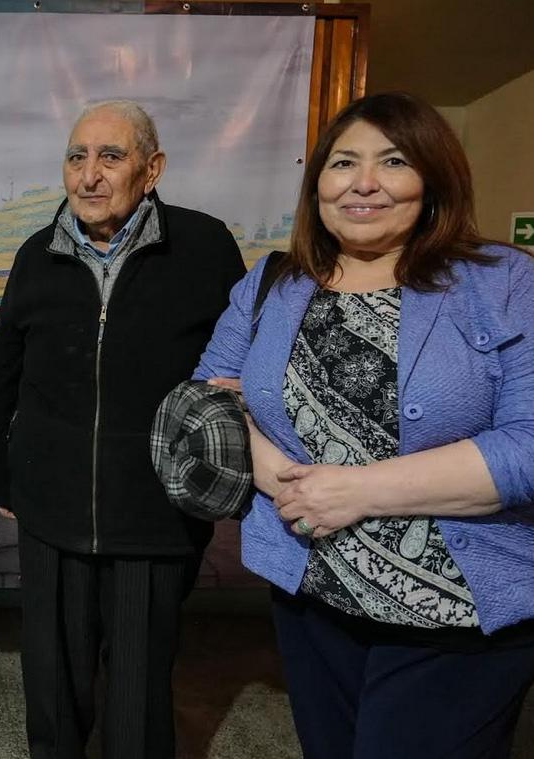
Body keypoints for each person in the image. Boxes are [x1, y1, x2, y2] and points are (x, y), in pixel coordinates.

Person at [195, 91, 534, 759]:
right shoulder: (273, 282)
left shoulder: (504, 281)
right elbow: (208, 396)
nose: (364, 182)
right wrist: (282, 477)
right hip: (312, 595)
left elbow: (528, 446)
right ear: (318, 182)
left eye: (394, 161)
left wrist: (355, 492)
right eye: (344, 162)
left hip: (456, 614)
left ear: (434, 179)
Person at [0, 100, 245, 759]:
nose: (89, 175)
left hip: (156, 510)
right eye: (77, 157)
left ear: (152, 169)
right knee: (52, 676)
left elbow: (244, 356)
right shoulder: (37, 253)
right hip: (50, 501)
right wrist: (0, 475)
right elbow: (3, 371)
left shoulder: (204, 246)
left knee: (139, 684)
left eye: (111, 156)